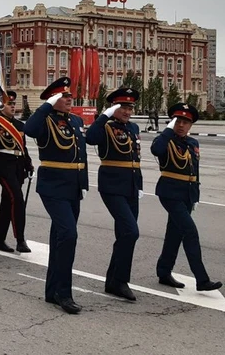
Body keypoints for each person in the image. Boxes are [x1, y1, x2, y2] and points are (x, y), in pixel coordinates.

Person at [24, 78, 87, 315]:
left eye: (70, 96)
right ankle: (64, 292)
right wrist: (46, 106)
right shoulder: (45, 121)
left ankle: (51, 291)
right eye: (64, 96)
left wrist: (83, 184)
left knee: (60, 238)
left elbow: (80, 154)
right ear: (53, 100)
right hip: (53, 187)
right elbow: (28, 130)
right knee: (69, 235)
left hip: (73, 188)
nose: (70, 99)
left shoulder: (76, 121)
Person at [151, 103, 222, 292]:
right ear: (172, 122)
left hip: (187, 194)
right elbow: (156, 150)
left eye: (185, 122)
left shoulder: (192, 143)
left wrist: (195, 197)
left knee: (175, 234)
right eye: (178, 121)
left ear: (191, 125)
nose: (181, 125)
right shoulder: (165, 141)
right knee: (190, 231)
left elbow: (195, 171)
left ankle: (164, 271)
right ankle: (202, 279)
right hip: (170, 193)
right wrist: (167, 130)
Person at [85, 87, 143, 302]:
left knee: (125, 234)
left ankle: (114, 281)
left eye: (129, 107)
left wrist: (139, 185)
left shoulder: (134, 127)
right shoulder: (106, 127)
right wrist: (103, 116)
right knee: (131, 232)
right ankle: (120, 280)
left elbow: (135, 159)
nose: (127, 111)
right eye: (122, 107)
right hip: (112, 186)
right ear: (113, 108)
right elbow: (89, 138)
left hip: (131, 187)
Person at [0, 90, 34, 253]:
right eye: (9, 104)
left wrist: (28, 165)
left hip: (18, 166)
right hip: (3, 166)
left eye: (14, 103)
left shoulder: (19, 125)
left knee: (7, 201)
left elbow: (22, 148)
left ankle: (0, 239)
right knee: (17, 198)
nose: (12, 106)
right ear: (1, 106)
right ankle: (20, 239)